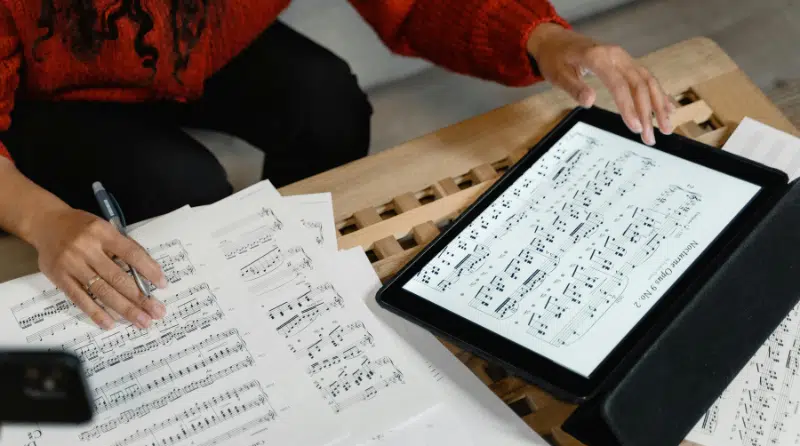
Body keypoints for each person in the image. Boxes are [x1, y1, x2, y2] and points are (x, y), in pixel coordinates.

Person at [0, 0, 674, 330]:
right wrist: (43, 217)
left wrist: (547, 38)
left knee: (326, 104)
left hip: (202, 36)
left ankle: (297, 272)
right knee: (185, 189)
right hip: (43, 87)